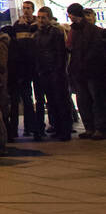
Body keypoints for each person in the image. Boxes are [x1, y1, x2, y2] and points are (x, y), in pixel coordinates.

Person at [66, 2, 106, 139]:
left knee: (95, 100)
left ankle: (98, 128)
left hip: (92, 71)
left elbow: (94, 51)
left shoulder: (93, 31)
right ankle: (90, 127)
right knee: (84, 101)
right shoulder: (75, 31)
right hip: (80, 71)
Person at [32, 7, 73, 140]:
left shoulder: (56, 32)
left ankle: (65, 130)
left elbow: (60, 53)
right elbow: (37, 53)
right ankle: (57, 127)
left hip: (56, 72)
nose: (40, 20)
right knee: (52, 102)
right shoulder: (37, 34)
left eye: (43, 17)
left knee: (61, 101)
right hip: (44, 72)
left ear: (49, 18)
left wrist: (59, 70)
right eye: (39, 17)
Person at [7, 0, 40, 139]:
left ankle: (33, 127)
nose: (25, 10)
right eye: (24, 8)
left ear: (33, 9)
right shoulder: (17, 26)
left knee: (33, 98)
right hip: (22, 68)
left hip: (35, 66)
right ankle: (26, 128)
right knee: (25, 98)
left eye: (28, 8)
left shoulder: (38, 25)